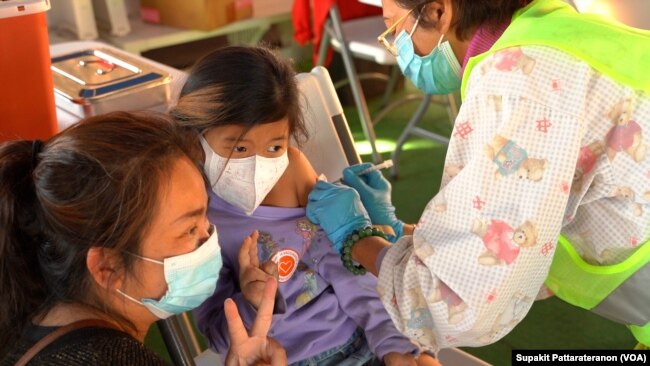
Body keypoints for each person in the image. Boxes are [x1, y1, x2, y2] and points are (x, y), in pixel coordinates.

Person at [306, 0, 650, 352]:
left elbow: (461, 299)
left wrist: (358, 239)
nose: (399, 51)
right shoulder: (553, 28)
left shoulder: (518, 83)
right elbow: (523, 225)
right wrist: (404, 235)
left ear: (439, 11)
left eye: (395, 30)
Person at [171, 45, 438, 365]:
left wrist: (396, 345)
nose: (259, 164)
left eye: (274, 146)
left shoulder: (292, 171)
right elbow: (218, 335)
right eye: (239, 147)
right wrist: (251, 302)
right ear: (194, 137)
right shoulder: (194, 211)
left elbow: (344, 268)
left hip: (359, 342)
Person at [0, 111, 286, 365]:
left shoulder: (23, 323)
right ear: (106, 267)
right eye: (189, 229)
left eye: (205, 218)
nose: (209, 238)